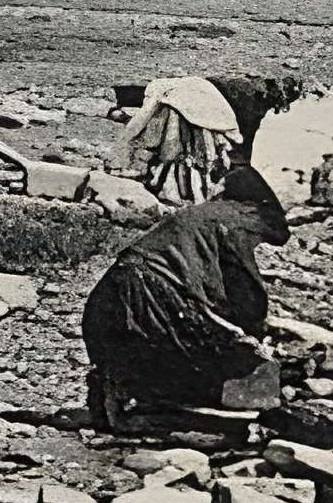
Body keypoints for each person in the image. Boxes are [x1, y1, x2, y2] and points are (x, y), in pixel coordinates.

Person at [80, 164, 290, 432]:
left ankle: (120, 399)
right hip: (148, 293)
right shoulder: (240, 220)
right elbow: (245, 287)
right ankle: (142, 408)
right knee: (201, 351)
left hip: (109, 293)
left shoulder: (203, 213)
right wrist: (255, 335)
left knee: (145, 349)